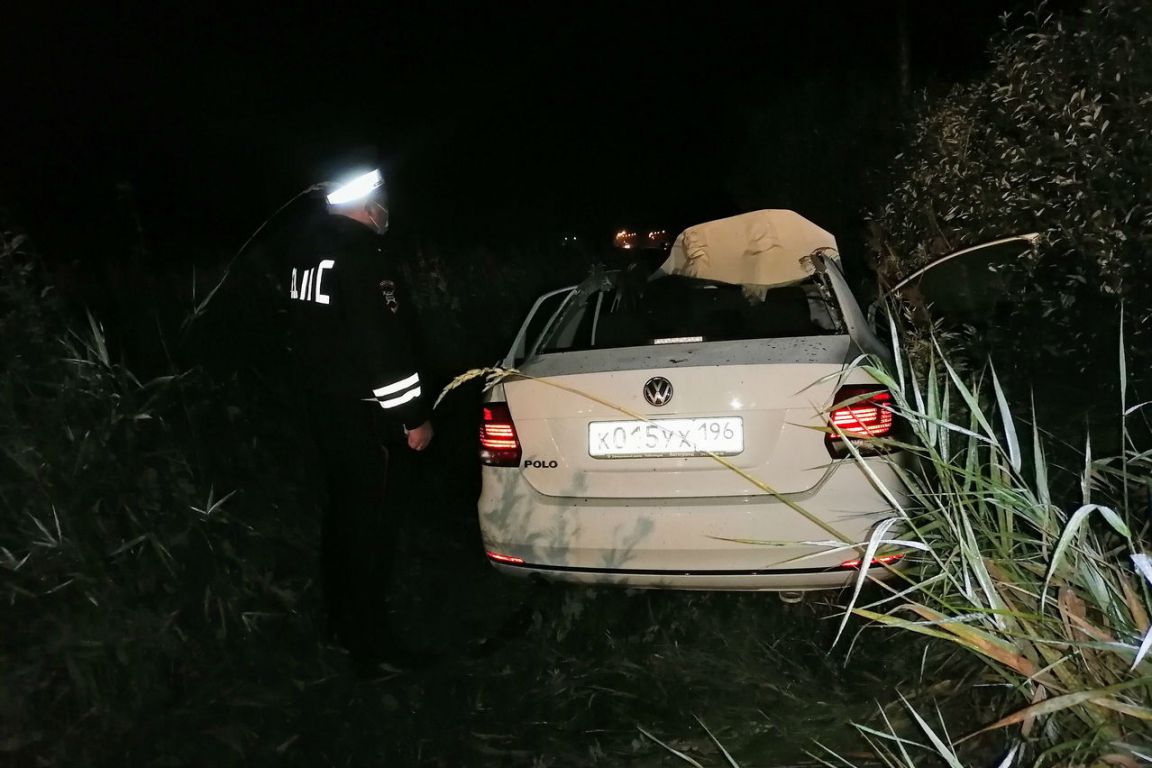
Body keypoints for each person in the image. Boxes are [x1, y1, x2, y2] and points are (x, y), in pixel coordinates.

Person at [282, 152, 434, 669]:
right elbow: (381, 347)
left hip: (326, 411)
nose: (384, 210)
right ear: (368, 204)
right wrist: (413, 416)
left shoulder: (307, 253)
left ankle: (338, 623)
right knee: (370, 528)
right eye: (380, 200)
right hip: (368, 420)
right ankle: (371, 647)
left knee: (343, 518)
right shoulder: (362, 255)